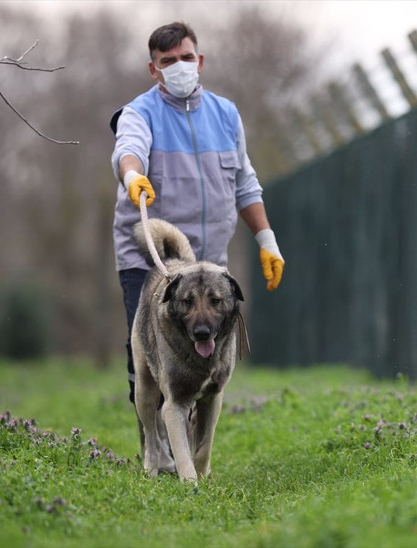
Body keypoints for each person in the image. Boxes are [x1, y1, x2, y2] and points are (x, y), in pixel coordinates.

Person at [110, 21, 284, 407]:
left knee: (206, 356)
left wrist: (266, 241)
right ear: (153, 69)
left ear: (200, 60)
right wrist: (133, 174)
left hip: (208, 266)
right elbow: (128, 149)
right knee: (149, 355)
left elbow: (244, 183)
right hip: (151, 261)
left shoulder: (226, 115)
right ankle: (156, 448)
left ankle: (187, 449)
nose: (179, 66)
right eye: (167, 61)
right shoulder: (139, 114)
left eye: (186, 58)